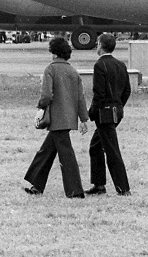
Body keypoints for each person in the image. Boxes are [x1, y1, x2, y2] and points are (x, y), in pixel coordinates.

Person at [24, 37, 89, 198]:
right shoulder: (73, 72)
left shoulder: (50, 69)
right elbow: (80, 98)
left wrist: (40, 107)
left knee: (65, 155)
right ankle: (36, 185)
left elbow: (46, 95)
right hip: (69, 118)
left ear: (53, 52)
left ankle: (75, 190)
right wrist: (83, 119)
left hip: (56, 118)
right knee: (46, 151)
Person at [85, 33, 132, 196]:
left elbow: (99, 93)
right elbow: (127, 90)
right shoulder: (120, 64)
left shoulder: (100, 65)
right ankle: (99, 185)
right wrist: (119, 106)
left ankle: (123, 188)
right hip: (116, 111)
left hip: (104, 113)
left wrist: (91, 112)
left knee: (111, 150)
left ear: (100, 45)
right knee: (95, 146)